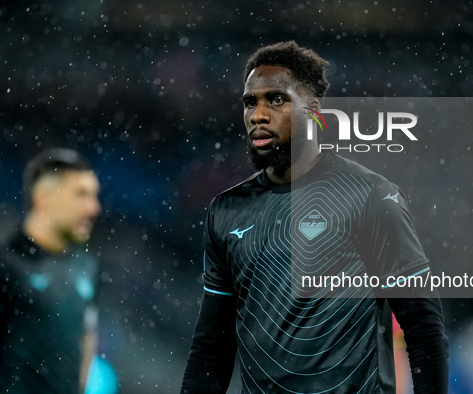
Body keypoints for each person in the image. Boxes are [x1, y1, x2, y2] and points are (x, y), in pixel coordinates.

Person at [181, 41, 449, 393]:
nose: (258, 115)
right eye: (250, 102)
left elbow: (423, 328)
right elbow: (211, 349)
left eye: (276, 99)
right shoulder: (227, 210)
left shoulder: (372, 196)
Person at [0, 148, 102, 393]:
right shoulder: (8, 263)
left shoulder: (85, 266)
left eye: (95, 196)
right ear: (44, 197)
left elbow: (86, 335)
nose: (94, 208)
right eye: (81, 195)